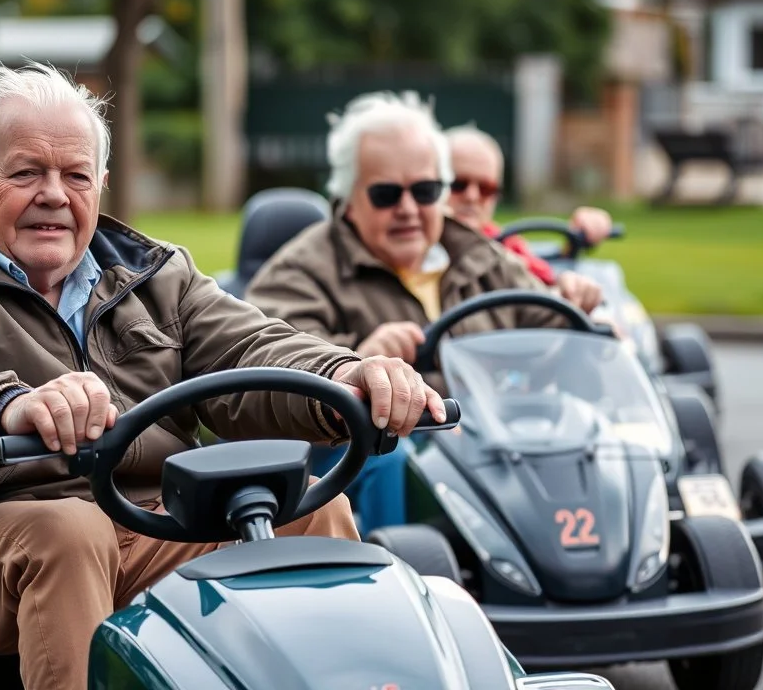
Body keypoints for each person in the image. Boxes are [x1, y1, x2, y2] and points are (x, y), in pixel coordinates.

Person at [0, 62, 446, 690]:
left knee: (317, 513)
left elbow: (252, 350)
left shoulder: (154, 275)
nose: (53, 195)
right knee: (68, 534)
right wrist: (11, 406)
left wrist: (348, 376)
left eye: (75, 176)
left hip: (147, 521)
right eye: (25, 173)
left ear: (99, 183)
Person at [244, 91, 604, 535]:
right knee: (389, 456)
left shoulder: (484, 258)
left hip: (496, 448)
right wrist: (356, 362)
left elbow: (557, 329)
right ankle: (399, 587)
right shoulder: (298, 272)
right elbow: (270, 373)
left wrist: (578, 306)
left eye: (425, 190)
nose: (409, 209)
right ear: (348, 198)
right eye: (386, 194)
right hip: (379, 452)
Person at [444, 124, 613, 291]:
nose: (472, 197)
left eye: (486, 189)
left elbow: (546, 283)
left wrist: (579, 235)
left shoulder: (506, 245)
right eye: (458, 184)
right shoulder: (423, 253)